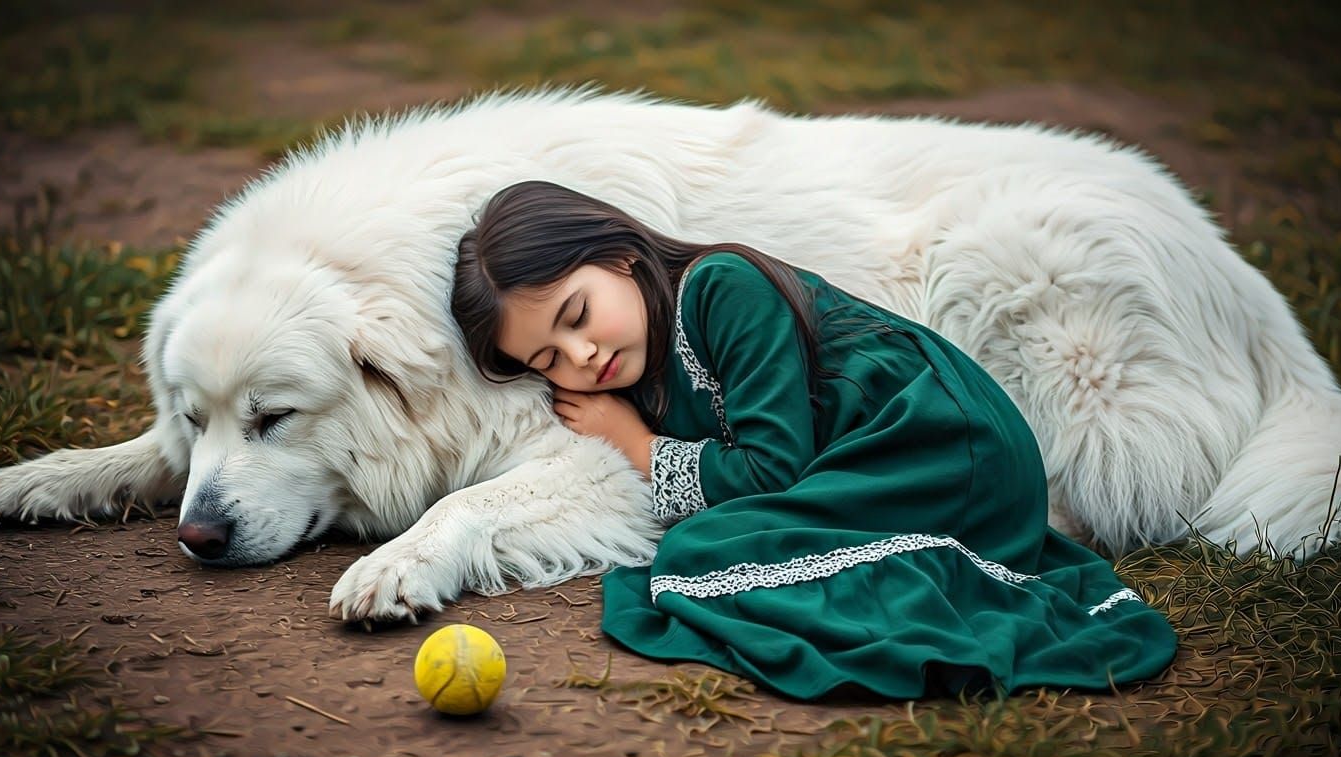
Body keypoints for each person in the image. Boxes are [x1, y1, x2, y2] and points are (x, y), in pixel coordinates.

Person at [450, 180, 1178, 700]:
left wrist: (638, 446)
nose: (577, 358)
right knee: (706, 549)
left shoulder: (719, 288)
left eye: (577, 315)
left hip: (940, 444)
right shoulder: (644, 365)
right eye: (546, 358)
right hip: (862, 467)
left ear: (620, 259)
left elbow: (770, 468)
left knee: (698, 554)